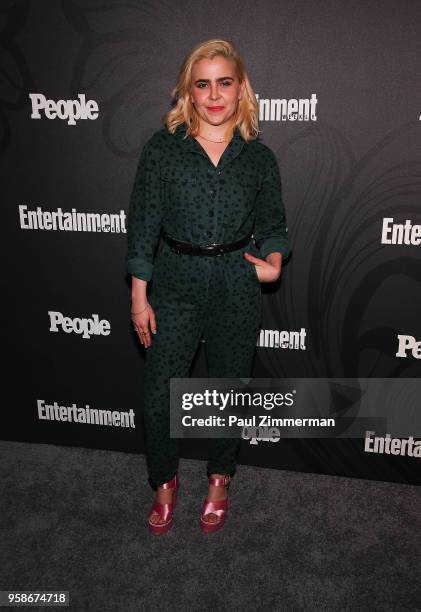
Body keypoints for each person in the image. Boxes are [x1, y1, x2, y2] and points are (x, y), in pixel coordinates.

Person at [126, 38, 292, 534]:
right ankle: (164, 482)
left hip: (235, 285)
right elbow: (143, 227)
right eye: (203, 84)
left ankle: (220, 479)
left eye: (224, 82)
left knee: (228, 391)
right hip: (175, 281)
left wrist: (274, 264)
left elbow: (274, 224)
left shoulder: (259, 158)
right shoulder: (163, 151)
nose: (214, 94)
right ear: (188, 92)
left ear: (240, 89)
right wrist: (139, 295)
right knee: (159, 393)